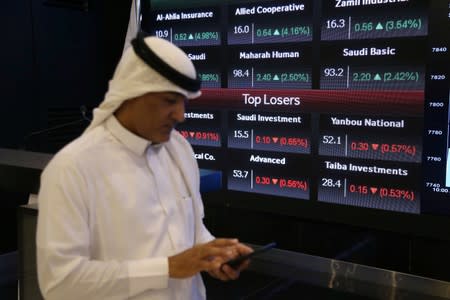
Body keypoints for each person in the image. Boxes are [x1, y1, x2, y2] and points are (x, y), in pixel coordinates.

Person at [36, 34, 253, 300]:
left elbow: (192, 232)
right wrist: (166, 268)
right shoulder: (73, 169)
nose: (181, 115)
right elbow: (60, 283)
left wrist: (213, 254)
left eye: (184, 101)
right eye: (169, 100)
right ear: (133, 93)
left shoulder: (180, 149)